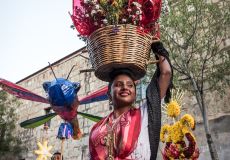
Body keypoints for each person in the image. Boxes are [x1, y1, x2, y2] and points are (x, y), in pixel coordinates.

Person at [89, 41, 173, 160]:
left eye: (130, 85)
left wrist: (157, 47)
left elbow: (166, 73)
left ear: (135, 93)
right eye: (118, 84)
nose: (125, 87)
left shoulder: (144, 114)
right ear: (109, 94)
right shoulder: (96, 129)